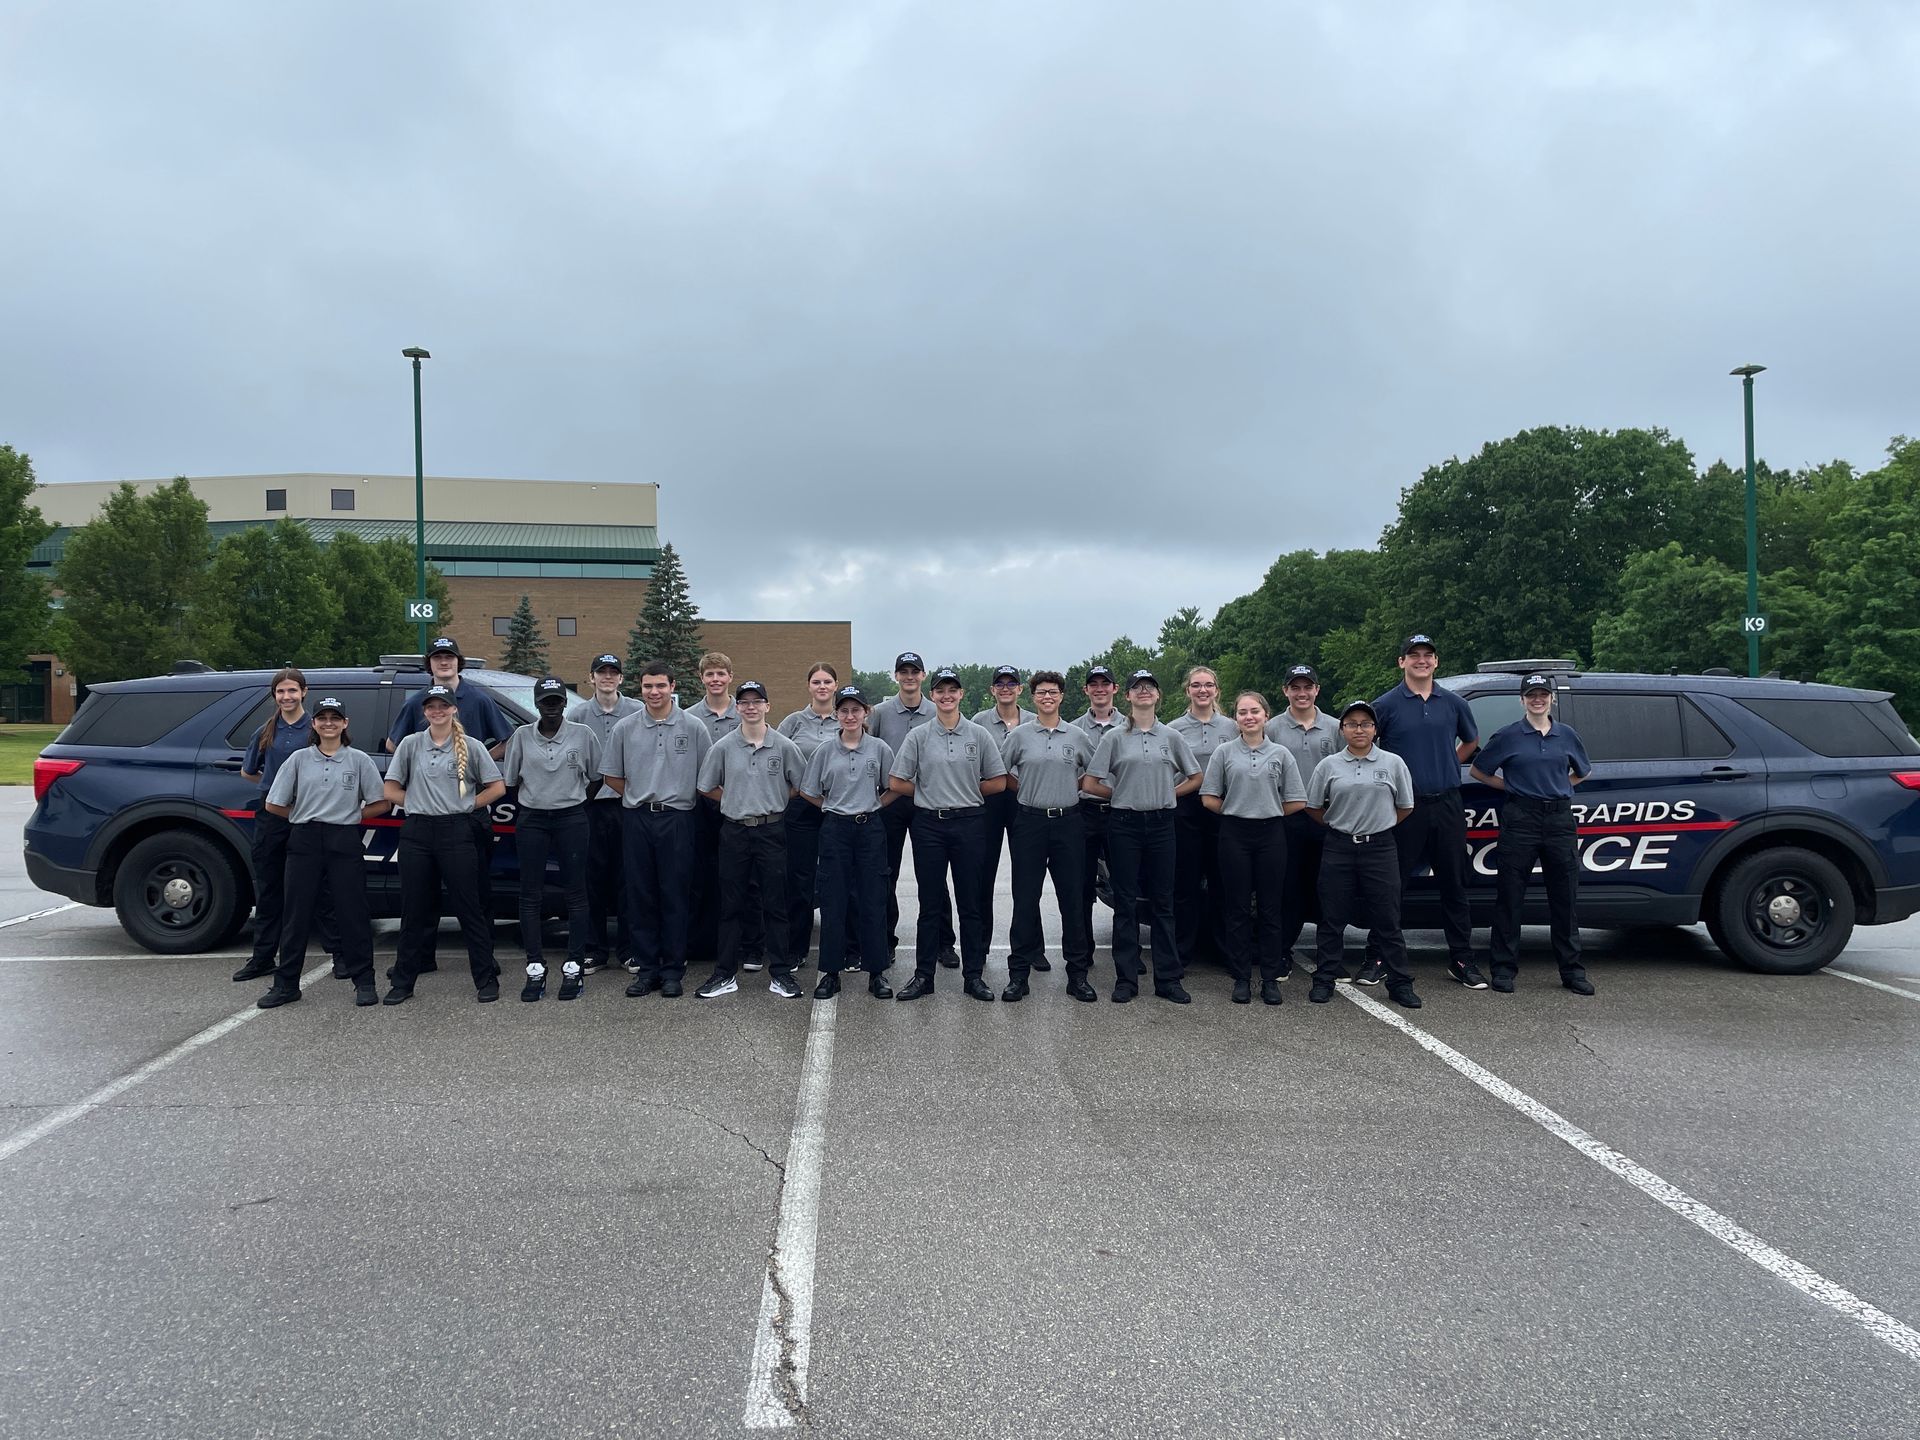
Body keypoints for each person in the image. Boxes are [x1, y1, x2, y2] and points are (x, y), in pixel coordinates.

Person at [1371, 634, 1488, 991]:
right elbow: (1368, 747)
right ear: (1401, 662)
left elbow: (1470, 741)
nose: (1421, 660)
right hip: (1406, 806)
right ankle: (1378, 957)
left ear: (1436, 662)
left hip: (1449, 803)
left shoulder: (1453, 703)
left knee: (1454, 883)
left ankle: (1462, 959)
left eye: (1428, 655)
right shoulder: (1385, 705)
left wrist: (1447, 764)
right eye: (1413, 655)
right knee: (1394, 886)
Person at [256, 697, 388, 1009]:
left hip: (343, 837)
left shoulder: (358, 760)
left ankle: (364, 981)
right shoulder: (299, 760)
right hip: (304, 838)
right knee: (297, 914)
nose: (329, 723)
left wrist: (354, 816)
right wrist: (300, 816)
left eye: (335, 718)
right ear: (314, 724)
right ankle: (286, 984)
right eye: (322, 718)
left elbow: (381, 802)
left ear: (345, 724)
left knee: (352, 912)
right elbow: (273, 803)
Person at [1469, 673, 1596, 996]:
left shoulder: (1567, 735)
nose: (1537, 699)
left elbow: (1583, 772)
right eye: (1531, 695)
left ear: (1551, 698)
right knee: (1510, 897)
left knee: (1564, 897)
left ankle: (1571, 970)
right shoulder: (1509, 736)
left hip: (1558, 820)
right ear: (1522, 700)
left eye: (1542, 694)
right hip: (1519, 818)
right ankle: (1503, 969)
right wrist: (1512, 787)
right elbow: (1478, 770)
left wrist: (1560, 789)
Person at [888, 667, 1008, 1001]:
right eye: (940, 690)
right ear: (933, 693)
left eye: (952, 690)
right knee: (929, 904)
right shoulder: (919, 736)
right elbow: (897, 781)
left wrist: (965, 793)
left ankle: (973, 976)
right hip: (930, 824)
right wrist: (928, 792)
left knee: (970, 903)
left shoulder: (978, 735)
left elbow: (998, 781)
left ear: (961, 694)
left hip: (969, 823)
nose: (946, 696)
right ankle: (924, 975)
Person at [385, 636, 514, 946]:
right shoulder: (417, 701)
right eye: (438, 657)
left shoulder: (479, 698)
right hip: (426, 816)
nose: (444, 662)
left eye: (450, 657)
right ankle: (422, 956)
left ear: (459, 661)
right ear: (429, 662)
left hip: (469, 816)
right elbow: (393, 743)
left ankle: (483, 955)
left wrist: (476, 761)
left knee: (475, 889)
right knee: (422, 892)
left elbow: (506, 739)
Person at [1083, 671, 1202, 1004]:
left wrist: (1169, 794)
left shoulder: (1172, 737)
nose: (1144, 692)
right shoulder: (1115, 738)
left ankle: (1168, 978)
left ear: (1158, 696)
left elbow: (1196, 776)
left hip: (1163, 824)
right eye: (1138, 688)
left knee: (1164, 903)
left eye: (1150, 687)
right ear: (1129, 697)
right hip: (1124, 824)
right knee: (1126, 903)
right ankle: (1126, 978)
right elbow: (1090, 783)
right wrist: (1119, 794)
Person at [382, 686, 507, 1004]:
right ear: (424, 711)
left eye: (443, 706)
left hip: (457, 831)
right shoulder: (411, 744)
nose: (437, 711)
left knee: (470, 907)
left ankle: (485, 979)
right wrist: (416, 802)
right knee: (414, 910)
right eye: (431, 707)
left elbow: (497, 787)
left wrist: (468, 805)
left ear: (454, 710)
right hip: (418, 833)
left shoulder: (471, 746)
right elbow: (390, 789)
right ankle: (403, 982)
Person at [601, 661, 713, 998]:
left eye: (660, 686)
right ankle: (646, 969)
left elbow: (707, 776)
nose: (654, 692)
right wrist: (638, 797)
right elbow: (611, 776)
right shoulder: (625, 728)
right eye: (648, 686)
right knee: (641, 895)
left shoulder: (693, 728)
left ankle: (672, 971)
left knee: (675, 895)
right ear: (640, 688)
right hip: (637, 818)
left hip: (678, 819)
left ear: (672, 686)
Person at [694, 681, 807, 1000]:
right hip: (735, 831)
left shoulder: (784, 746)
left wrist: (776, 797)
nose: (751, 707)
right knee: (730, 905)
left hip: (772, 830)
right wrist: (734, 799)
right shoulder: (724, 746)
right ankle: (725, 973)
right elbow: (706, 786)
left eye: (757, 701)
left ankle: (781, 973)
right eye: (744, 702)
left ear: (768, 706)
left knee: (775, 904)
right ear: (737, 708)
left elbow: (801, 785)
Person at [1305, 700, 1420, 1009]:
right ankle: (1325, 978)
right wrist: (1339, 826)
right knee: (1332, 918)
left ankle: (1399, 982)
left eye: (1366, 724)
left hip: (1380, 848)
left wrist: (1379, 825)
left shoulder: (1393, 763)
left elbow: (1406, 806)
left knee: (1387, 919)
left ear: (1375, 729)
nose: (1359, 729)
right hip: (1339, 846)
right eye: (1352, 723)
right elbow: (1314, 807)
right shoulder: (1328, 765)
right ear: (1342, 729)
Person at [231, 667, 342, 985]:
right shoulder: (266, 731)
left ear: (304, 693)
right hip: (274, 817)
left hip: (311, 816)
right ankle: (263, 958)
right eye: (281, 691)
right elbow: (249, 772)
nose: (287, 696)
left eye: (293, 690)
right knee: (269, 889)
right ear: (274, 696)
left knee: (320, 888)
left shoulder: (317, 726)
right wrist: (276, 789)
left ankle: (339, 956)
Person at [1202, 691, 1309, 1005]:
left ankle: (1270, 978)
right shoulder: (1224, 753)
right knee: (1236, 908)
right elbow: (1209, 797)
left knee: (1270, 908)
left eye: (1254, 712)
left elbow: (1297, 800)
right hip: (1234, 833)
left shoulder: (1280, 754)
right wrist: (1239, 810)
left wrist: (1267, 810)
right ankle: (1241, 977)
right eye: (1242, 713)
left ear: (1265, 716)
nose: (1248, 717)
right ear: (1236, 719)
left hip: (1271, 834)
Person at [998, 670, 1096, 1002]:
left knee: (1072, 900)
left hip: (1068, 822)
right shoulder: (1020, 736)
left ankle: (1078, 974)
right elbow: (1001, 773)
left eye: (1053, 692)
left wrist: (1072, 787)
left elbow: (1093, 774)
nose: (1047, 697)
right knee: (1025, 899)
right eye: (1041, 692)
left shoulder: (1078, 736)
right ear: (1033, 697)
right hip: (1029, 822)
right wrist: (1024, 788)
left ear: (1062, 696)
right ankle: (1018, 974)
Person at [502, 676, 601, 1002]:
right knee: (530, 893)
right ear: (537, 704)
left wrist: (572, 802)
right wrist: (539, 802)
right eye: (546, 701)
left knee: (576, 890)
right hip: (533, 819)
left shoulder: (582, 735)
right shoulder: (521, 736)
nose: (552, 707)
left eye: (557, 701)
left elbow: (596, 778)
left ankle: (573, 963)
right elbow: (512, 781)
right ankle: (534, 965)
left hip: (572, 817)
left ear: (564, 703)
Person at [801, 687, 897, 1000]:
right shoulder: (825, 751)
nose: (850, 716)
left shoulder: (879, 748)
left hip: (870, 829)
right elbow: (809, 790)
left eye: (856, 710)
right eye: (844, 710)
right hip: (835, 830)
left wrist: (874, 805)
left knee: (872, 899)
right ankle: (831, 972)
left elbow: (893, 786)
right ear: (837, 714)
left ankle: (876, 972)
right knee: (833, 900)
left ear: (865, 713)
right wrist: (834, 808)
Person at [868, 652, 953, 967]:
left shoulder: (937, 711)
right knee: (884, 873)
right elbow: (868, 749)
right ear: (895, 676)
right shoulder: (879, 713)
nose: (909, 676)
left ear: (923, 676)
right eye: (903, 671)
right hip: (890, 801)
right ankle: (884, 941)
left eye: (914, 671)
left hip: (927, 801)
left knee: (933, 876)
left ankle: (944, 943)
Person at [1265, 665, 1342, 976]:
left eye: (1307, 687)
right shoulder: (1271, 728)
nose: (1301, 693)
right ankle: (1282, 954)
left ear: (1316, 690)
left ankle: (1330, 959)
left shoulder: (1336, 728)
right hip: (1288, 818)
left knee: (1328, 891)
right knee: (1289, 890)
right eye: (1295, 687)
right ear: (1285, 691)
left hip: (1326, 817)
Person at [575, 654, 641, 975]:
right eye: (602, 672)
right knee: (592, 880)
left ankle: (629, 949)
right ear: (591, 678)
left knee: (627, 878)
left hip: (626, 805)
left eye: (613, 672)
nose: (607, 677)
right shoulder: (576, 715)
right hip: (589, 806)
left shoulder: (637, 712)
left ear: (620, 679)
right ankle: (594, 949)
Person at [778, 663, 843, 968]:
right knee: (800, 880)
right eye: (816, 681)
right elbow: (775, 758)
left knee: (837, 880)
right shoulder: (793, 723)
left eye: (827, 681)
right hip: (801, 807)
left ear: (835, 685)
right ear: (808, 686)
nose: (821, 686)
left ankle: (841, 947)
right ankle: (796, 949)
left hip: (837, 807)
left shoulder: (845, 719)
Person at [1171, 665, 1236, 970]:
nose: (1202, 690)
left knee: (1223, 883)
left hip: (1222, 810)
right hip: (1186, 809)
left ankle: (1226, 951)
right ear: (1188, 691)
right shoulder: (1174, 729)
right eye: (1196, 685)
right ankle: (1182, 952)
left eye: (1208, 685)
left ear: (1216, 690)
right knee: (1186, 885)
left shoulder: (1233, 727)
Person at [972, 665, 1035, 964]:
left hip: (1025, 801)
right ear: (992, 690)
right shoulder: (979, 723)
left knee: (1027, 878)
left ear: (1021, 689)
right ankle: (980, 946)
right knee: (983, 875)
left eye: (1012, 683)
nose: (1006, 687)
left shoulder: (1035, 722)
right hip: (991, 801)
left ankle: (1031, 947)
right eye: (1000, 683)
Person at [687, 651, 743, 975]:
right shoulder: (691, 717)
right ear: (702, 679)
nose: (716, 680)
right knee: (702, 876)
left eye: (721, 674)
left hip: (739, 807)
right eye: (710, 675)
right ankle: (702, 943)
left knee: (738, 878)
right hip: (702, 804)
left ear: (730, 676)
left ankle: (744, 945)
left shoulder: (745, 712)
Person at [1072, 664, 1126, 953]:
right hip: (1085, 812)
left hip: (1121, 812)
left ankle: (1124, 948)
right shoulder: (1074, 729)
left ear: (1115, 689)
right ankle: (1084, 948)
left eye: (1106, 683)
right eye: (1094, 684)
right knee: (1082, 884)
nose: (1100, 689)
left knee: (1123, 885)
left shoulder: (1131, 725)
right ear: (1086, 690)